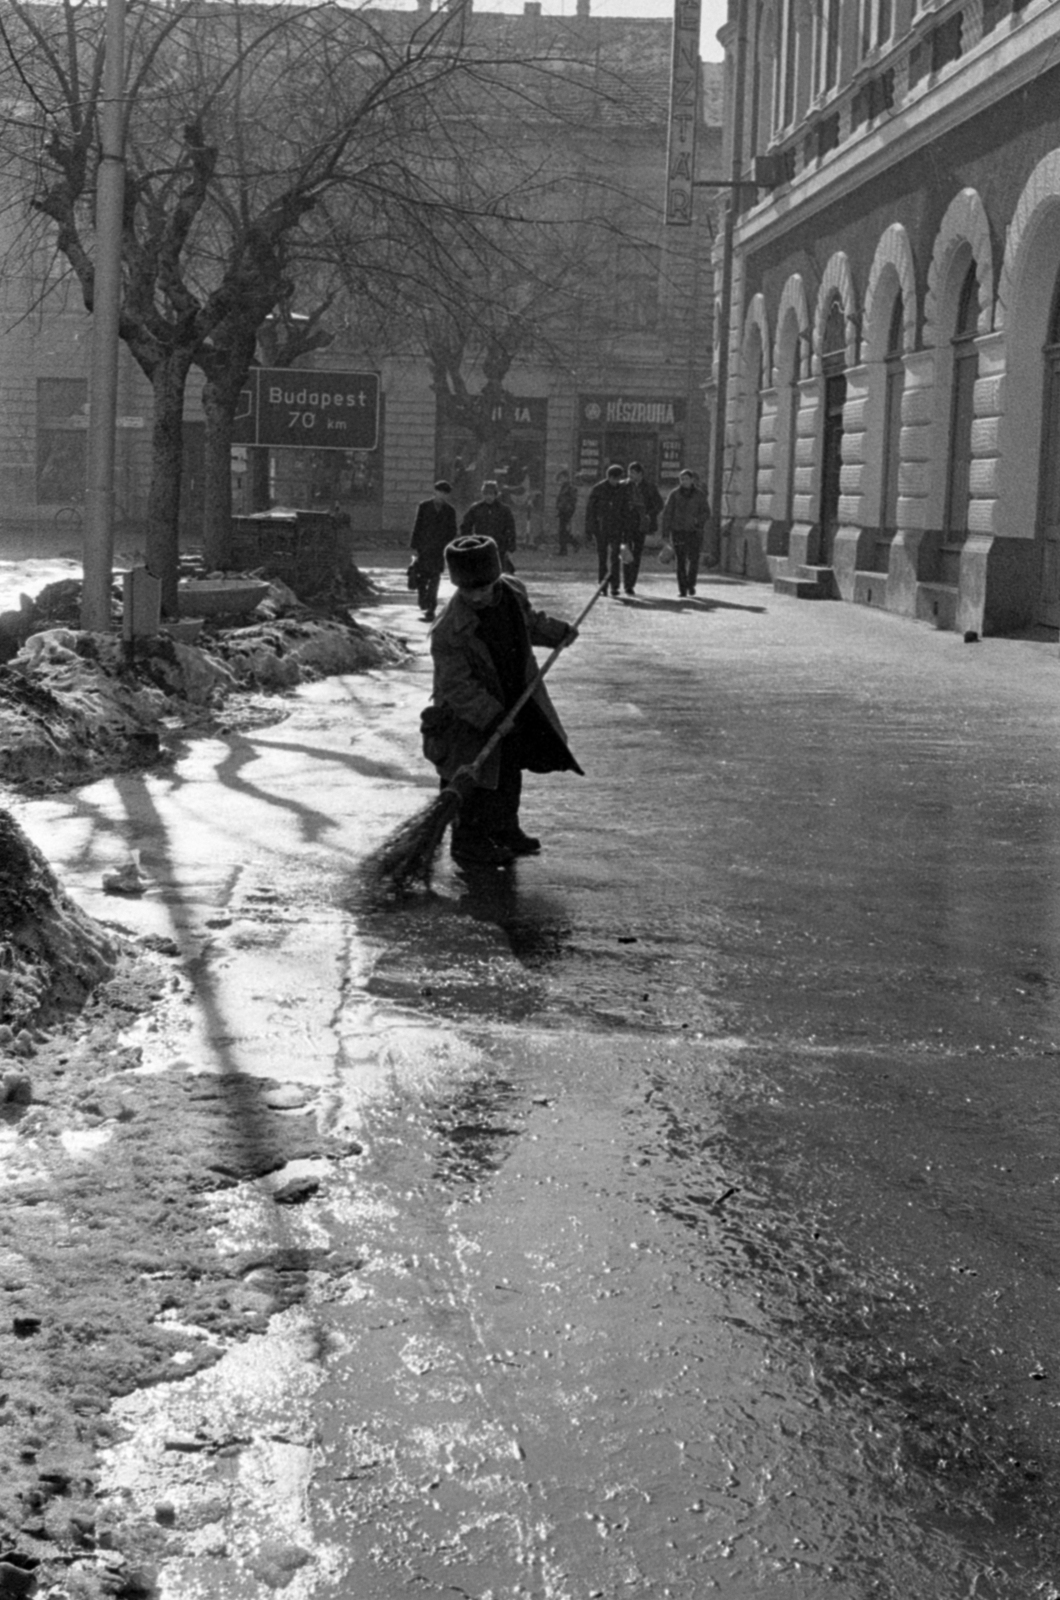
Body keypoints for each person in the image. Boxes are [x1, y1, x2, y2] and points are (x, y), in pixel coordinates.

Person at [422, 534, 582, 870]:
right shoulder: (449, 629)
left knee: (508, 769)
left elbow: (530, 622)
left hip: (512, 696)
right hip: (466, 716)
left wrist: (557, 632)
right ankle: (468, 843)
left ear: (496, 577)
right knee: (474, 778)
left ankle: (506, 829)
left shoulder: (510, 591)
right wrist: (491, 715)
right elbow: (455, 685)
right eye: (470, 590)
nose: (479, 596)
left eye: (485, 587)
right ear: (458, 585)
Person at [585, 463, 638, 597]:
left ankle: (615, 586)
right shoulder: (598, 489)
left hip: (617, 528)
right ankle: (603, 585)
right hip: (601, 529)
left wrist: (627, 529)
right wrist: (589, 530)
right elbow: (590, 511)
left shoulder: (622, 490)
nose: (616, 482)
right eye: (614, 479)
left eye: (618, 479)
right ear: (609, 477)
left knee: (615, 558)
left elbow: (626, 511)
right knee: (602, 558)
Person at [409, 479, 457, 621]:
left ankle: (431, 609)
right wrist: (415, 546)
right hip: (424, 548)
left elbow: (452, 530)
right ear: (435, 492)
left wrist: (447, 545)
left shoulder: (450, 511)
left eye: (445, 493)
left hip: (439, 550)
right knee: (422, 578)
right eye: (439, 492)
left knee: (435, 578)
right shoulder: (424, 506)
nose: (441, 495)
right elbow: (417, 525)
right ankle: (423, 600)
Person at [661, 467, 711, 597]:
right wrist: (665, 533)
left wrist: (697, 520)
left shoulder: (699, 495)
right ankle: (682, 588)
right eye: (682, 479)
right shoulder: (674, 494)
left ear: (692, 480)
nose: (684, 481)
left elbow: (706, 512)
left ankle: (691, 584)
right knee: (681, 560)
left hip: (694, 531)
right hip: (678, 531)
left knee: (694, 559)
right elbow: (667, 513)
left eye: (686, 479)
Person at [623, 460, 664, 595]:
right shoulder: (623, 486)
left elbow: (659, 504)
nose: (630, 475)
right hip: (626, 524)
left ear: (640, 474)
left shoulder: (649, 487)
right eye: (629, 472)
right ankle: (627, 582)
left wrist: (649, 513)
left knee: (637, 554)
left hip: (641, 525)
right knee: (626, 552)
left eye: (633, 473)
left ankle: (631, 582)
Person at [460, 480, 517, 572]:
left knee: (499, 573)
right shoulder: (476, 508)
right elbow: (466, 526)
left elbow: (511, 528)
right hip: (481, 545)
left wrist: (510, 546)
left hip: (499, 546)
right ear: (483, 494)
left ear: (496, 495)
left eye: (491, 494)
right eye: (486, 494)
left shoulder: (504, 510)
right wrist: (468, 542)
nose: (489, 497)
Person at [555, 470, 578, 554]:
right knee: (563, 531)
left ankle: (564, 549)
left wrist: (568, 509)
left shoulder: (570, 488)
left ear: (567, 478)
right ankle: (573, 543)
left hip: (567, 512)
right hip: (562, 511)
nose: (560, 480)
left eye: (562, 478)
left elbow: (573, 500)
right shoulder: (563, 487)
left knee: (563, 531)